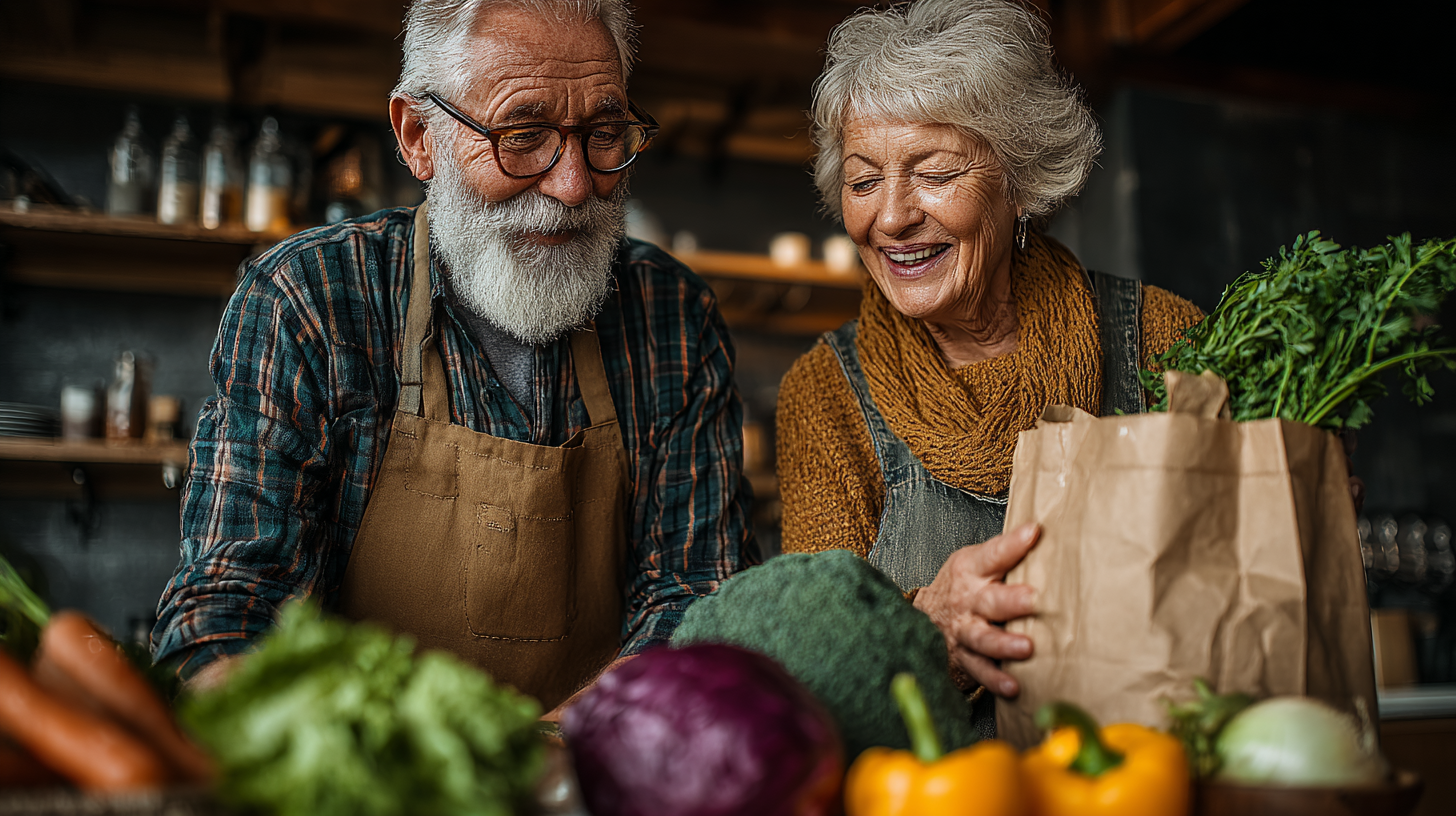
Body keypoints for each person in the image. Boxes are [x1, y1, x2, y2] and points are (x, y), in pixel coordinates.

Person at [153, 0, 753, 715]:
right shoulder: (307, 301)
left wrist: (549, 756)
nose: (573, 186)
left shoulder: (671, 317)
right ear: (418, 136)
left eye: (603, 132)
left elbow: (698, 598)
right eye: (523, 135)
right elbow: (230, 605)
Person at [774, 0, 1202, 732]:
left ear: (1021, 180)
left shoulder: (1164, 335)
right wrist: (929, 630)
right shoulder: (824, 393)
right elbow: (813, 663)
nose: (893, 217)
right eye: (864, 179)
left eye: (935, 172)